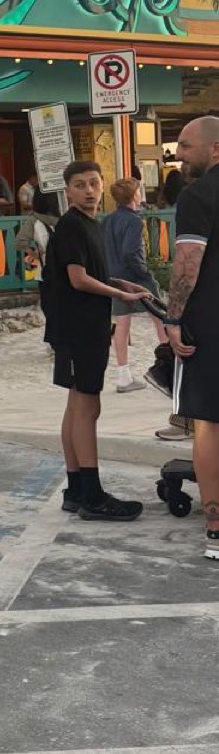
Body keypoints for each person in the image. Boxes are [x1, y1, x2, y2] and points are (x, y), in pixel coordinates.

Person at [43, 158, 147, 520]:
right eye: (80, 185)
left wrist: (122, 284)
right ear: (67, 190)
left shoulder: (92, 225)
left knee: (77, 406)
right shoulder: (72, 225)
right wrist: (120, 296)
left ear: (103, 185)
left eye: (94, 183)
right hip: (77, 328)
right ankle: (92, 495)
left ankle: (76, 489)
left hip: (85, 327)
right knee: (87, 408)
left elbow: (94, 273)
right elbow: (78, 278)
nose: (89, 190)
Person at [162, 116, 219, 558]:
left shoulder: (198, 196)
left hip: (209, 324)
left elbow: (187, 263)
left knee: (207, 422)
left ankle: (216, 526)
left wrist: (173, 317)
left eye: (184, 146)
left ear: (214, 150)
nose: (177, 154)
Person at [104, 177, 165, 393]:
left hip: (115, 275)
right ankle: (169, 369)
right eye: (138, 191)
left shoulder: (109, 220)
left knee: (122, 324)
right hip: (136, 276)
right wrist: (144, 273)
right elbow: (131, 251)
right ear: (133, 196)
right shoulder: (133, 220)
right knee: (161, 320)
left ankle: (123, 375)